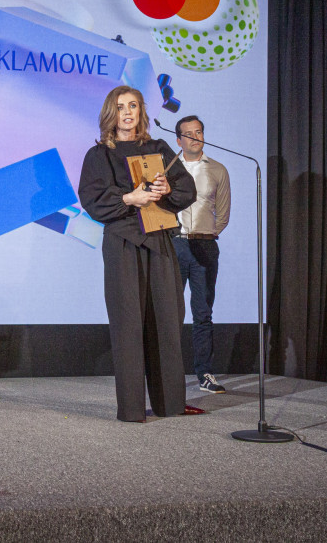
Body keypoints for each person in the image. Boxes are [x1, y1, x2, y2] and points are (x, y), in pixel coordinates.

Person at [77, 86, 202, 422]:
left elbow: (187, 189)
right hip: (123, 243)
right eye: (121, 107)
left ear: (141, 111)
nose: (128, 112)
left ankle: (171, 403)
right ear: (110, 113)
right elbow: (91, 200)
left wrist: (167, 188)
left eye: (133, 106)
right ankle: (132, 408)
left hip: (159, 241)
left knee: (166, 321)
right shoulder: (99, 154)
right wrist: (128, 199)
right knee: (128, 324)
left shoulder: (158, 148)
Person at [169, 115, 231, 394]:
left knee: (203, 313)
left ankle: (204, 373)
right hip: (174, 245)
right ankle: (167, 373)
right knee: (169, 312)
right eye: (189, 134)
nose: (195, 137)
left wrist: (205, 233)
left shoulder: (218, 169)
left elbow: (223, 214)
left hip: (205, 246)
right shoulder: (167, 169)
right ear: (178, 140)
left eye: (199, 132)